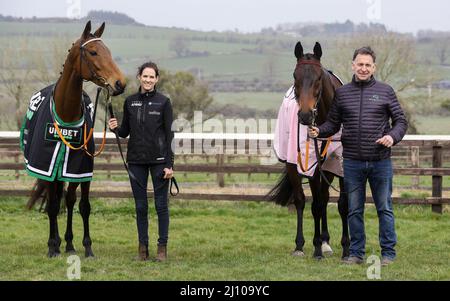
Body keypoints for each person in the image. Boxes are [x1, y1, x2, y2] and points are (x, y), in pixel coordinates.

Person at [308, 47, 407, 266]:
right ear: (353, 65)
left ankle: (388, 253)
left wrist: (392, 136)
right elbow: (333, 123)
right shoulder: (342, 94)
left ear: (374, 67)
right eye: (359, 64)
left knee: (384, 208)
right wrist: (319, 131)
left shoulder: (386, 91)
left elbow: (401, 121)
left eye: (367, 65)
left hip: (380, 162)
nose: (363, 68)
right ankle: (356, 253)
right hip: (352, 162)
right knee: (354, 209)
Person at [109, 61, 174, 262]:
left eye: (151, 77)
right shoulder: (130, 102)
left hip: (159, 162)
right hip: (136, 161)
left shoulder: (164, 102)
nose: (148, 80)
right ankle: (142, 250)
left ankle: (161, 249)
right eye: (145, 76)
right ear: (139, 77)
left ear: (157, 79)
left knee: (161, 205)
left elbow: (169, 135)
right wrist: (115, 128)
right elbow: (125, 132)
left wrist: (170, 165)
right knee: (140, 207)